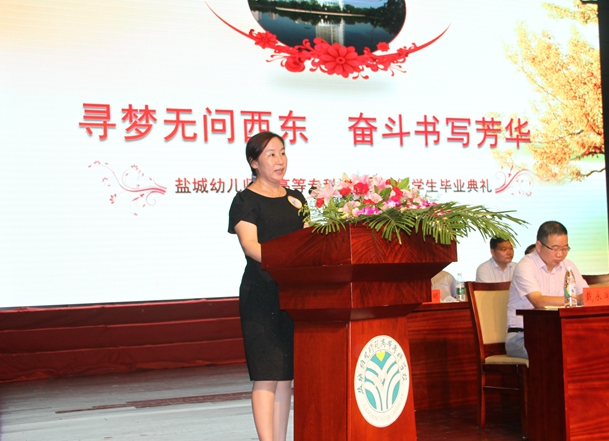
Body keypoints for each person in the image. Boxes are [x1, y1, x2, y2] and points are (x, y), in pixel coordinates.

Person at [228, 131, 307, 441]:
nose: (280, 160)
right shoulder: (245, 201)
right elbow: (250, 245)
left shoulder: (296, 198)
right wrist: (287, 262)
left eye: (283, 152)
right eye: (271, 154)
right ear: (254, 162)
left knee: (285, 376)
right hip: (261, 294)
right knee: (266, 374)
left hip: (293, 293)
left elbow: (309, 241)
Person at [505, 221, 588, 359]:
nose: (560, 254)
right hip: (522, 337)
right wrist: (576, 299)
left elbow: (586, 295)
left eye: (565, 248)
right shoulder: (526, 266)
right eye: (555, 248)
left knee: (592, 345)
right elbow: (538, 301)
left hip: (557, 333)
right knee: (562, 351)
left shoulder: (568, 266)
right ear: (539, 246)